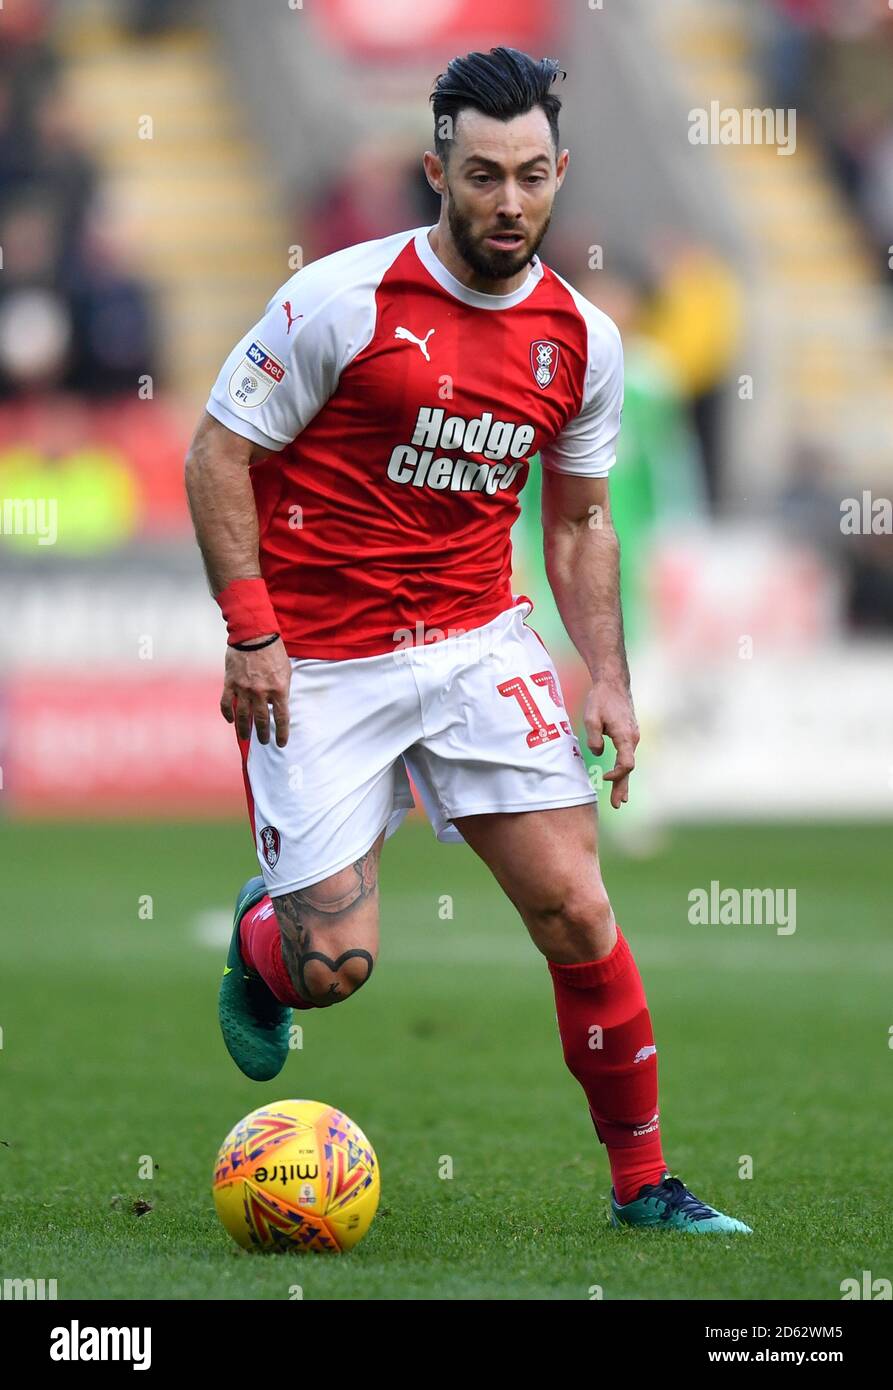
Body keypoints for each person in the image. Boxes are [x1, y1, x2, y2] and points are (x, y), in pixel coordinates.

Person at [185, 47, 751, 1234]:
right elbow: (216, 452)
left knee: (576, 909)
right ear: (435, 167)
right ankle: (263, 939)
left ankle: (643, 1184)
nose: (508, 201)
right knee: (332, 968)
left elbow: (583, 523)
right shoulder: (341, 300)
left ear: (559, 172)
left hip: (474, 642)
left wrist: (608, 677)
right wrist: (250, 635)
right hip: (322, 660)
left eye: (531, 175)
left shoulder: (580, 342)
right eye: (482, 173)